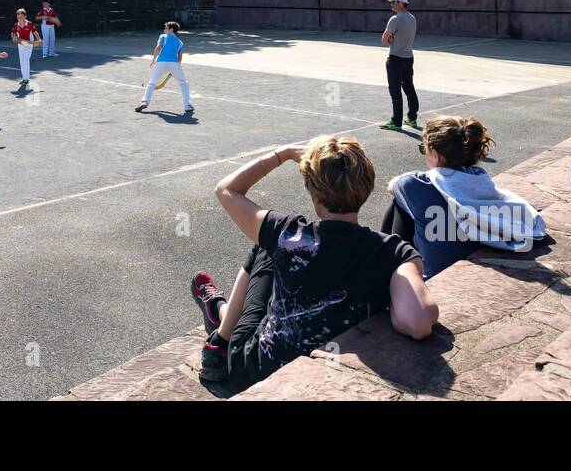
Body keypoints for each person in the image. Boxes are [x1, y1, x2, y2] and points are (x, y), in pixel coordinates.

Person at [188, 134, 438, 393]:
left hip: (255, 372)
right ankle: (218, 312)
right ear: (367, 187)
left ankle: (220, 332)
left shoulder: (287, 232)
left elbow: (226, 189)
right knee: (269, 247)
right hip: (326, 381)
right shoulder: (393, 252)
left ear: (315, 198)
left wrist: (281, 154)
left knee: (264, 248)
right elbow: (418, 323)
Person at [381, 116, 544, 278]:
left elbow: (392, 186)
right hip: (473, 259)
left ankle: (387, 271)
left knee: (399, 203)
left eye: (423, 148)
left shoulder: (414, 184)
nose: (423, 153)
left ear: (436, 155)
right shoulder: (481, 179)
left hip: (433, 277)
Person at [380, 0, 419, 132]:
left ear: (401, 3)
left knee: (395, 90)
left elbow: (385, 39)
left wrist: (392, 39)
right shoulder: (412, 18)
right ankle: (412, 118)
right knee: (409, 87)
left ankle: (396, 121)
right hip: (409, 58)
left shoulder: (395, 19)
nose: (391, 4)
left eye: (394, 2)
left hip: (395, 58)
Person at [135, 21, 193, 114]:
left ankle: (145, 101)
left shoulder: (163, 36)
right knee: (183, 83)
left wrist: (153, 60)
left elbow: (157, 48)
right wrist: (176, 67)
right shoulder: (180, 42)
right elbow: (180, 57)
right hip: (174, 64)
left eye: (166, 28)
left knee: (152, 83)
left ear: (171, 29)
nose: (164, 29)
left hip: (160, 63)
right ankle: (187, 105)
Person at [10, 8, 39, 87]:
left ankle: (26, 79)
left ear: (25, 16)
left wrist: (39, 39)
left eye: (21, 16)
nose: (20, 18)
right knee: (22, 62)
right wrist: (13, 37)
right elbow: (13, 33)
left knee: (26, 60)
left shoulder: (29, 24)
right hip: (21, 44)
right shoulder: (16, 25)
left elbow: (35, 32)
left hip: (29, 44)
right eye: (18, 17)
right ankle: (24, 78)